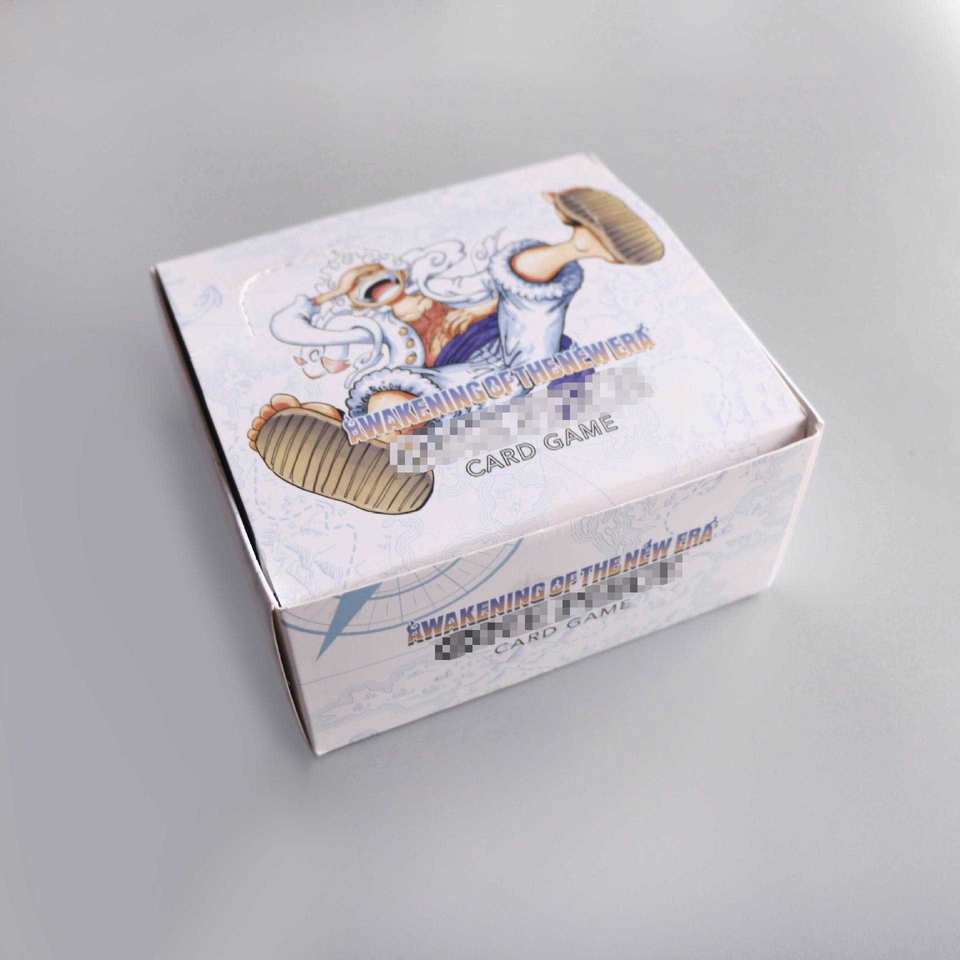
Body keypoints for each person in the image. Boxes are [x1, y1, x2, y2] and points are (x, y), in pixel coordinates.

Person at [248, 187, 664, 514]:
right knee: (399, 399)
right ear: (359, 302)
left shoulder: (446, 284)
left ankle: (583, 242)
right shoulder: (372, 330)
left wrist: (481, 307)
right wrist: (328, 296)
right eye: (366, 291)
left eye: (382, 279)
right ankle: (373, 453)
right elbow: (287, 328)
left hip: (508, 339)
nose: (380, 290)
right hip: (456, 379)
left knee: (532, 323)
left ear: (399, 274)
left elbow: (506, 299)